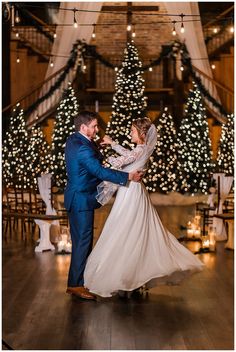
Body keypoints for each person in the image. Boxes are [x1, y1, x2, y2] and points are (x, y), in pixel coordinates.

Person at [84, 117, 204, 298]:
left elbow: (120, 162)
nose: (130, 133)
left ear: (141, 133)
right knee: (131, 230)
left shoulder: (140, 150)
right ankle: (131, 277)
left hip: (131, 193)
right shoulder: (143, 149)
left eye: (132, 130)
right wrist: (113, 143)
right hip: (133, 191)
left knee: (125, 229)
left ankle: (127, 277)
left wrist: (100, 154)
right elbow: (129, 154)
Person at [64, 111, 143, 300]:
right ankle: (76, 285)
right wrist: (128, 176)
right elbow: (98, 170)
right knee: (82, 243)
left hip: (77, 197)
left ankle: (77, 282)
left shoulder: (75, 140)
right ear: (83, 127)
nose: (97, 129)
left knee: (81, 242)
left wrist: (99, 145)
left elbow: (90, 153)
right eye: (94, 126)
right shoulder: (82, 147)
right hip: (81, 199)